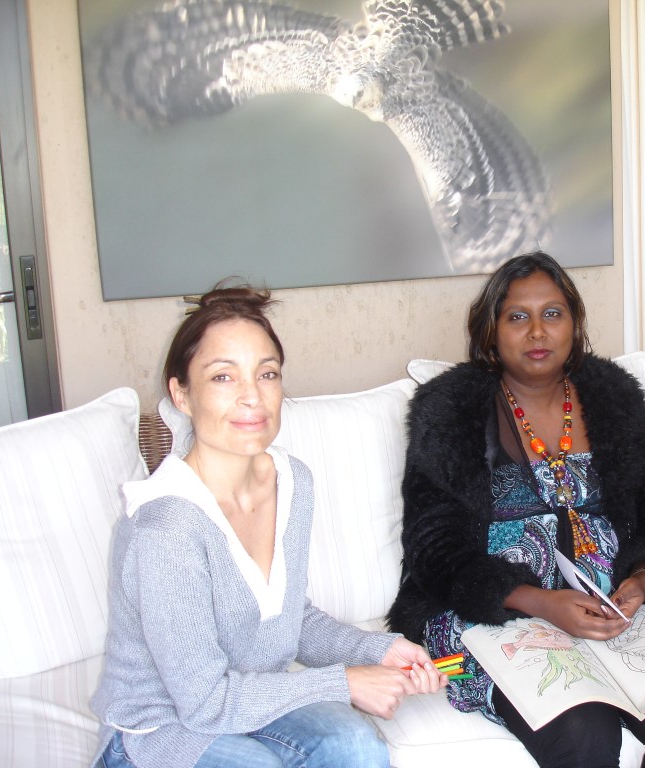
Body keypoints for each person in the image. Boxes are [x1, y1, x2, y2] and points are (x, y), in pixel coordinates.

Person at [388, 252, 645, 768]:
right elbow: (433, 548)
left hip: (613, 612)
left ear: (575, 323)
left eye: (552, 313)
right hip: (491, 618)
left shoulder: (615, 400)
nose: (537, 331)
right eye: (517, 317)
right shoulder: (450, 410)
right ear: (491, 333)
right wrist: (538, 602)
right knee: (582, 726)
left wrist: (643, 582)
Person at [90, 283, 445, 768]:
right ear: (181, 394)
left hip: (252, 697)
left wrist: (381, 650)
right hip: (161, 728)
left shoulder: (292, 481)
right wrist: (344, 682)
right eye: (223, 377)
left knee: (357, 745)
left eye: (267, 373)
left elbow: (289, 621)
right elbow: (204, 703)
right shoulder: (167, 527)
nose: (252, 397)